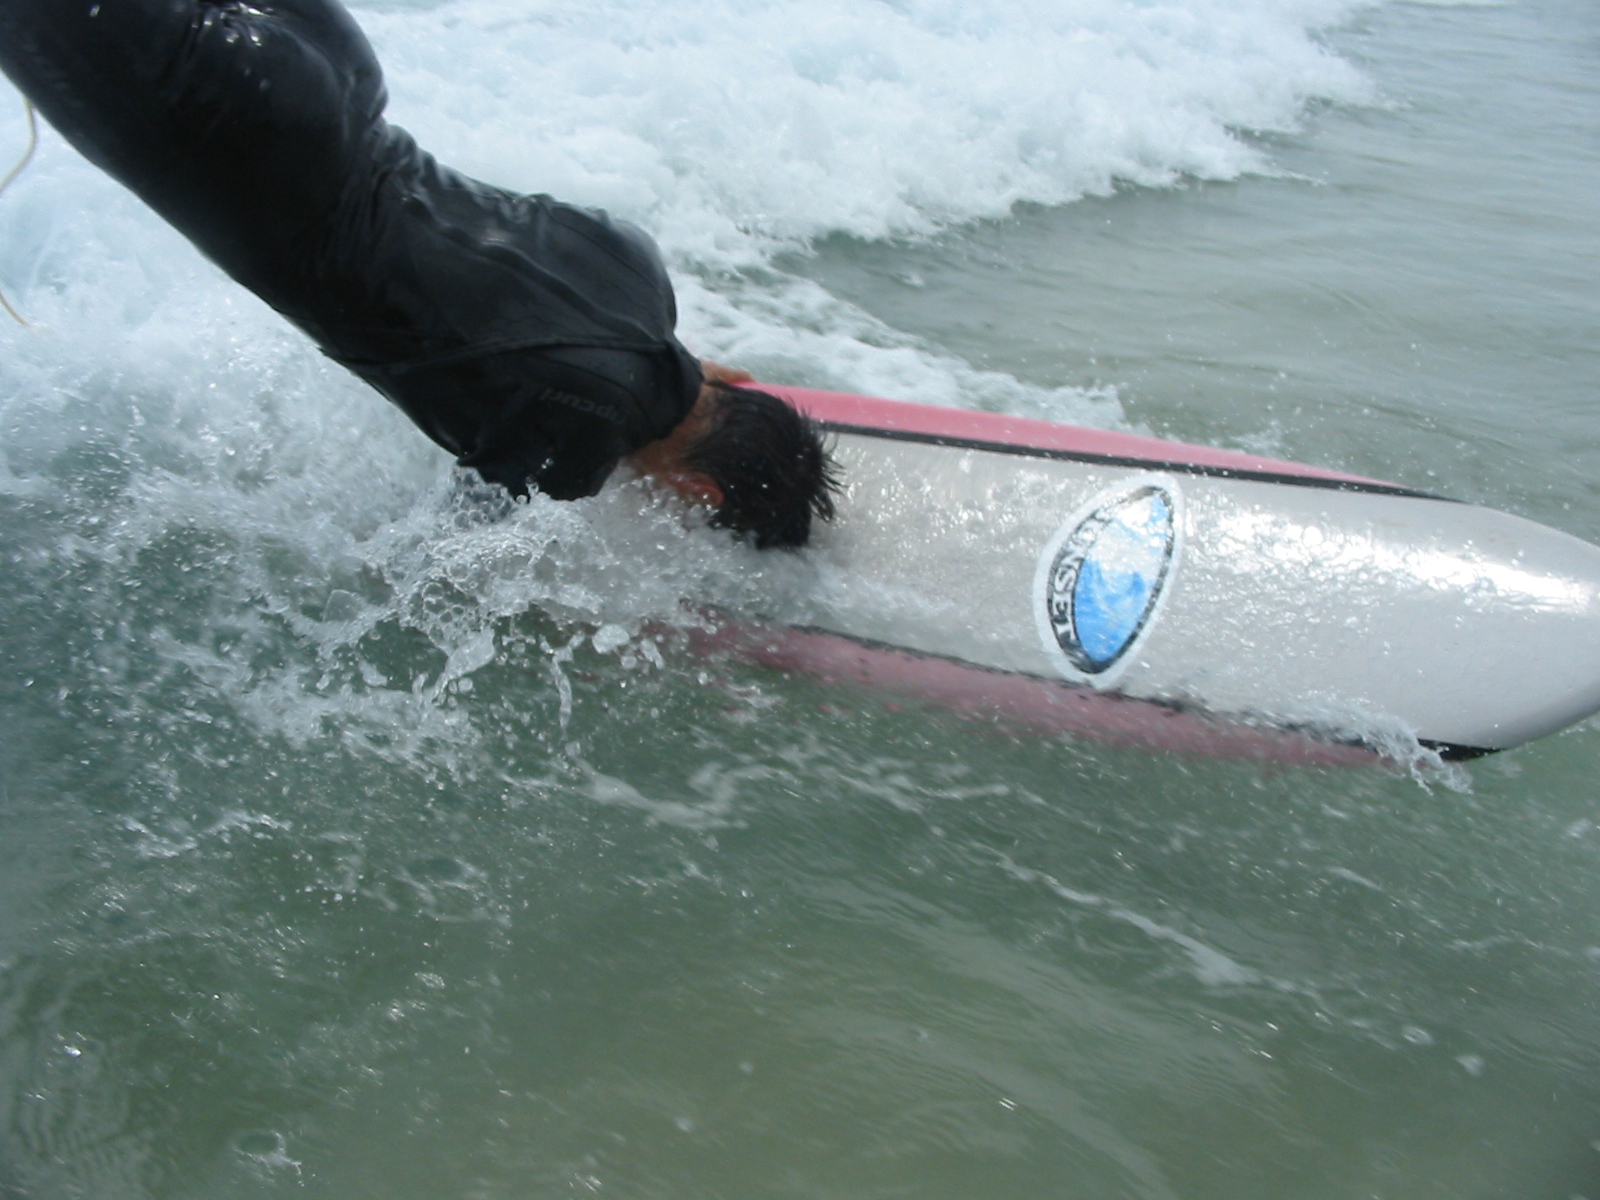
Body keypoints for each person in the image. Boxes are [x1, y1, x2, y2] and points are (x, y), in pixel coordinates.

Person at [0, 0, 838, 548]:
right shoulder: (577, 435)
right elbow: (446, 560)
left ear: (732, 377)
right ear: (696, 491)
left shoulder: (638, 264)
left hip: (332, 72)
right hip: (238, 140)